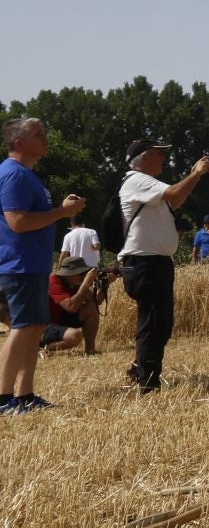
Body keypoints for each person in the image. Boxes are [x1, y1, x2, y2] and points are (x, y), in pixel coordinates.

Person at [0, 117, 85, 413]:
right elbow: (18, 222)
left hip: (31, 264)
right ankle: (3, 398)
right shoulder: (15, 175)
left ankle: (24, 395)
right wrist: (62, 212)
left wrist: (59, 210)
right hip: (18, 264)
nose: (45, 138)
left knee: (34, 327)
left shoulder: (27, 175)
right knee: (23, 327)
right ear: (19, 143)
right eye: (39, 135)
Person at [119, 138, 209, 392]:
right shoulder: (137, 180)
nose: (164, 159)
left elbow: (175, 199)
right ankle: (147, 381)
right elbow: (173, 193)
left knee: (160, 322)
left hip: (153, 263)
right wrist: (196, 172)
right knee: (152, 321)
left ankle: (142, 369)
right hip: (144, 264)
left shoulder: (146, 186)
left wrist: (196, 176)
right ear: (145, 157)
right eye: (159, 154)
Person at [52, 212, 108, 355]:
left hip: (62, 320)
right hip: (48, 324)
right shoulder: (54, 281)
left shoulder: (68, 236)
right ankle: (44, 347)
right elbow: (71, 307)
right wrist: (86, 282)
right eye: (81, 273)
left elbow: (95, 303)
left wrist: (107, 283)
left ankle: (90, 349)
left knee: (89, 309)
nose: (83, 275)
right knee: (75, 335)